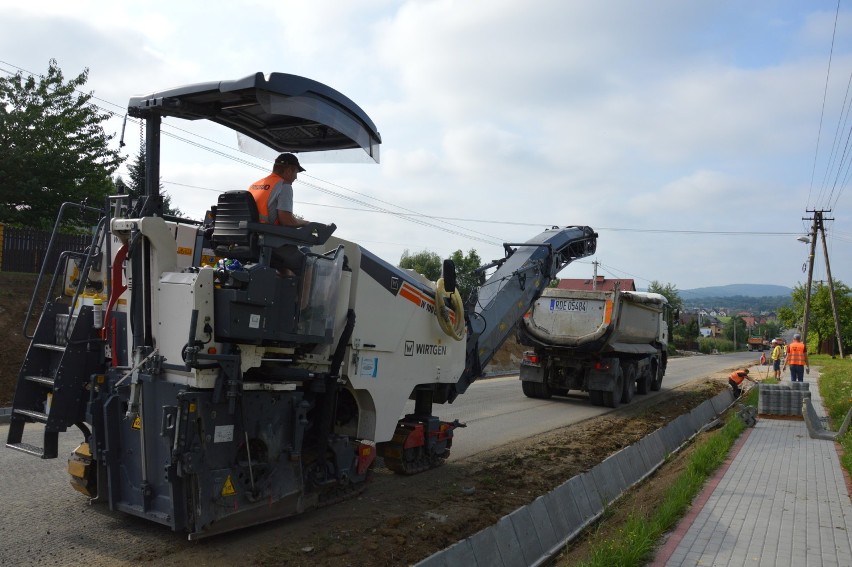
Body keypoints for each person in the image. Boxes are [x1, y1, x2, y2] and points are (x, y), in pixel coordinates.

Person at [247, 153, 311, 274]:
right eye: (296, 172)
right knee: (307, 264)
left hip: (249, 240)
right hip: (269, 242)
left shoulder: (255, 185)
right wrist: (305, 223)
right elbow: (286, 220)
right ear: (289, 170)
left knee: (284, 268)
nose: (296, 177)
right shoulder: (284, 186)